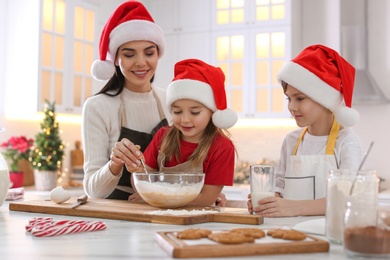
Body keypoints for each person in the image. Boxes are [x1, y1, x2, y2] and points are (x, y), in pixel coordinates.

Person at [248, 44, 363, 217]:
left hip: (326, 233)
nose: (292, 107)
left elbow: (346, 198)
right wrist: (267, 203)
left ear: (325, 99)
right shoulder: (291, 141)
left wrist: (292, 208)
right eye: (289, 99)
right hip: (288, 231)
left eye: (300, 98)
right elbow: (280, 188)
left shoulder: (346, 141)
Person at [81, 1, 169, 200]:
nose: (141, 62)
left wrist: (207, 194)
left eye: (149, 53)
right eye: (129, 54)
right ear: (115, 60)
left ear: (158, 54)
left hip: (163, 210)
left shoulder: (170, 100)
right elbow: (92, 190)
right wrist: (114, 164)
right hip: (117, 215)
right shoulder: (98, 107)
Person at [126, 58, 238, 206]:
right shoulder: (163, 136)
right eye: (177, 111)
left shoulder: (222, 148)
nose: (185, 119)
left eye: (195, 112)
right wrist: (137, 170)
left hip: (196, 220)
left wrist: (155, 199)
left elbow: (206, 199)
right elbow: (140, 184)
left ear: (212, 111)